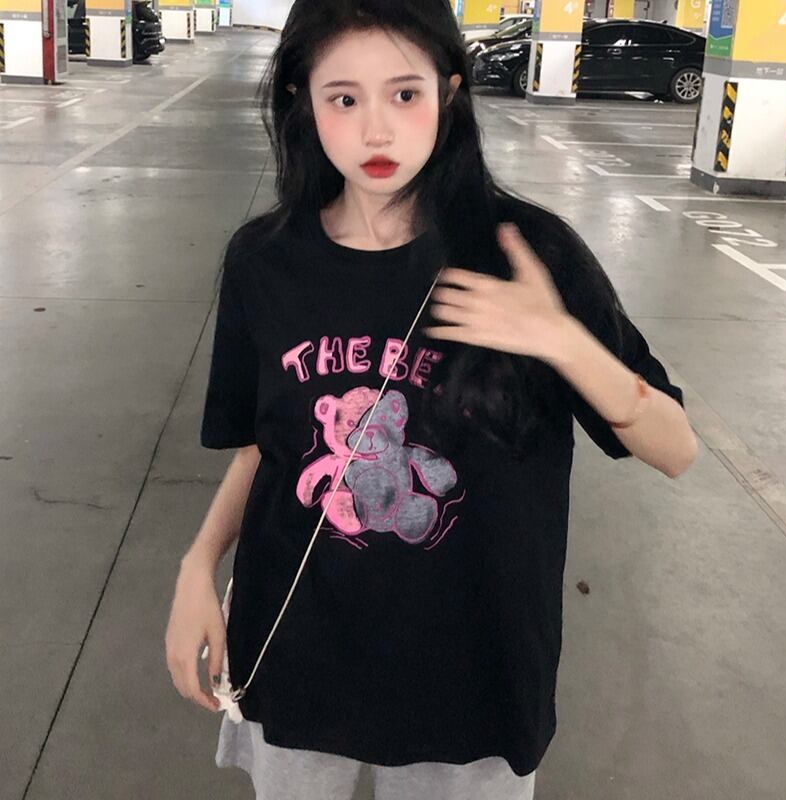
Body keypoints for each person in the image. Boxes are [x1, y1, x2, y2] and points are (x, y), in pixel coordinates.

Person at [164, 1, 698, 798]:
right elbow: (266, 446)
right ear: (303, 102)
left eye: (405, 94)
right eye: (344, 98)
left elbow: (676, 447)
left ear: (449, 93)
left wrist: (562, 340)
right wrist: (198, 565)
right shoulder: (263, 262)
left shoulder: (528, 254)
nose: (376, 130)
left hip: (472, 679)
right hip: (298, 650)